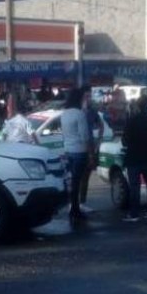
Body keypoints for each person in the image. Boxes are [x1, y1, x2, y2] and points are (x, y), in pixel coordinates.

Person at [122, 94, 147, 222]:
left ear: (138, 106)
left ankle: (134, 213)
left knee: (135, 186)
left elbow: (125, 140)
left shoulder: (132, 120)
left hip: (134, 158)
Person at [61, 87, 91, 224]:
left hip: (68, 150)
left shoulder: (64, 114)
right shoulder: (79, 114)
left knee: (71, 182)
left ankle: (73, 208)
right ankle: (75, 209)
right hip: (80, 151)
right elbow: (85, 136)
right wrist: (90, 153)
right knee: (77, 182)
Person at [79, 87, 105, 211]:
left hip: (89, 146)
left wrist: (98, 140)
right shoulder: (76, 111)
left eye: (89, 96)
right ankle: (74, 203)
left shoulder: (92, 111)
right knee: (76, 177)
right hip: (77, 147)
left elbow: (101, 125)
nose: (88, 99)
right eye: (86, 96)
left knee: (86, 175)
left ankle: (81, 202)